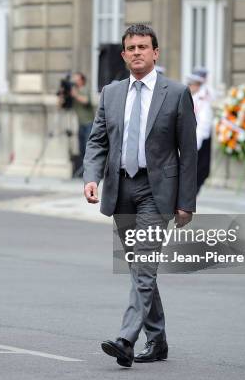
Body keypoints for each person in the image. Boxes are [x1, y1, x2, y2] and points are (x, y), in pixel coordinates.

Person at [83, 24, 197, 367]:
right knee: (139, 269)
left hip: (156, 191)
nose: (137, 52)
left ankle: (126, 338)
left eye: (143, 47)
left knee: (144, 266)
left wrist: (186, 203)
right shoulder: (111, 93)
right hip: (121, 189)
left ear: (155, 52)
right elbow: (97, 140)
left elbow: (188, 152)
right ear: (123, 54)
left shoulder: (176, 93)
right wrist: (91, 177)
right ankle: (158, 340)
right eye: (131, 47)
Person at [187, 73, 213, 194]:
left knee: (200, 169)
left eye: (191, 84)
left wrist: (195, 143)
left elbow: (203, 123)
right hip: (192, 138)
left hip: (199, 139)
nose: (189, 86)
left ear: (197, 85)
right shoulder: (193, 97)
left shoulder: (202, 100)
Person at [70, 72, 93, 177]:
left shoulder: (85, 89)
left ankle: (90, 171)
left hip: (89, 123)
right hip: (80, 124)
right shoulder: (74, 91)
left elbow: (86, 101)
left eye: (76, 78)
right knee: (81, 149)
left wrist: (75, 95)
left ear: (82, 80)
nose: (74, 80)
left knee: (88, 148)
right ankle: (83, 171)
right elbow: (62, 105)